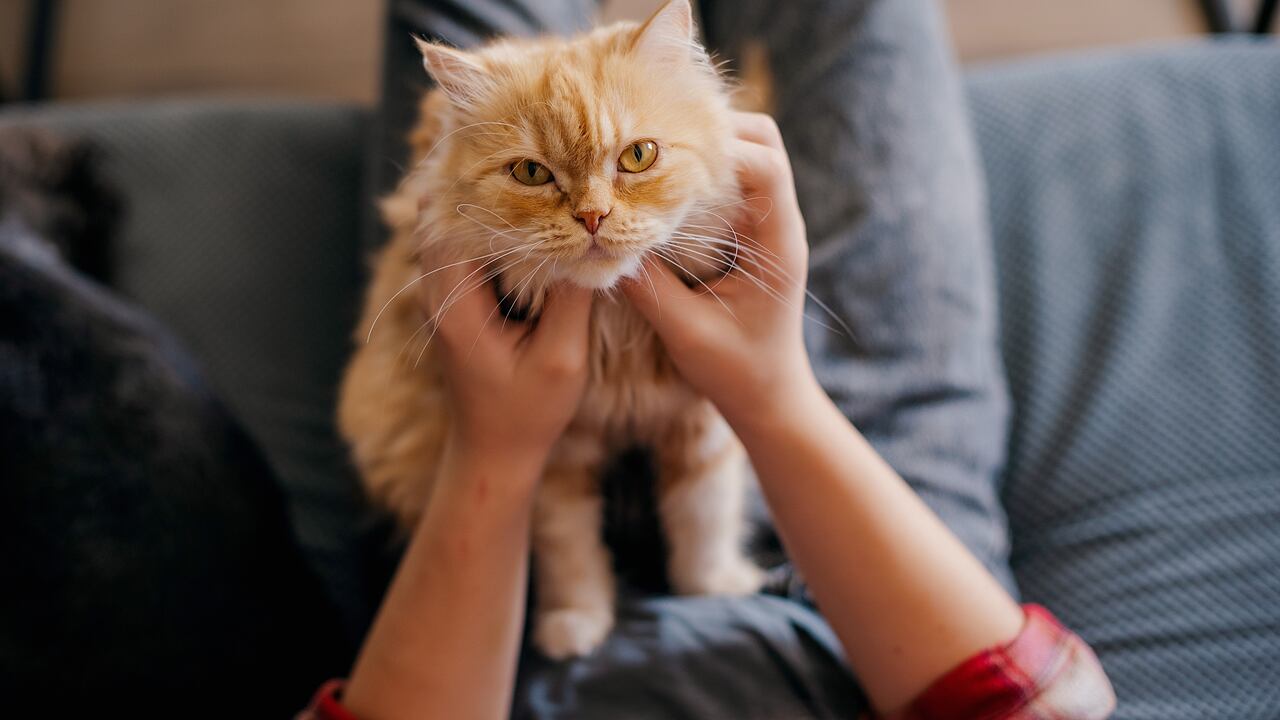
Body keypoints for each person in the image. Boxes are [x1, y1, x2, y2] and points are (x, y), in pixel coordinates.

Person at [300, 111, 1114, 720]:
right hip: (868, 612)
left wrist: (492, 452)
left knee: (463, 121)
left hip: (496, 636)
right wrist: (776, 393)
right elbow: (1047, 708)